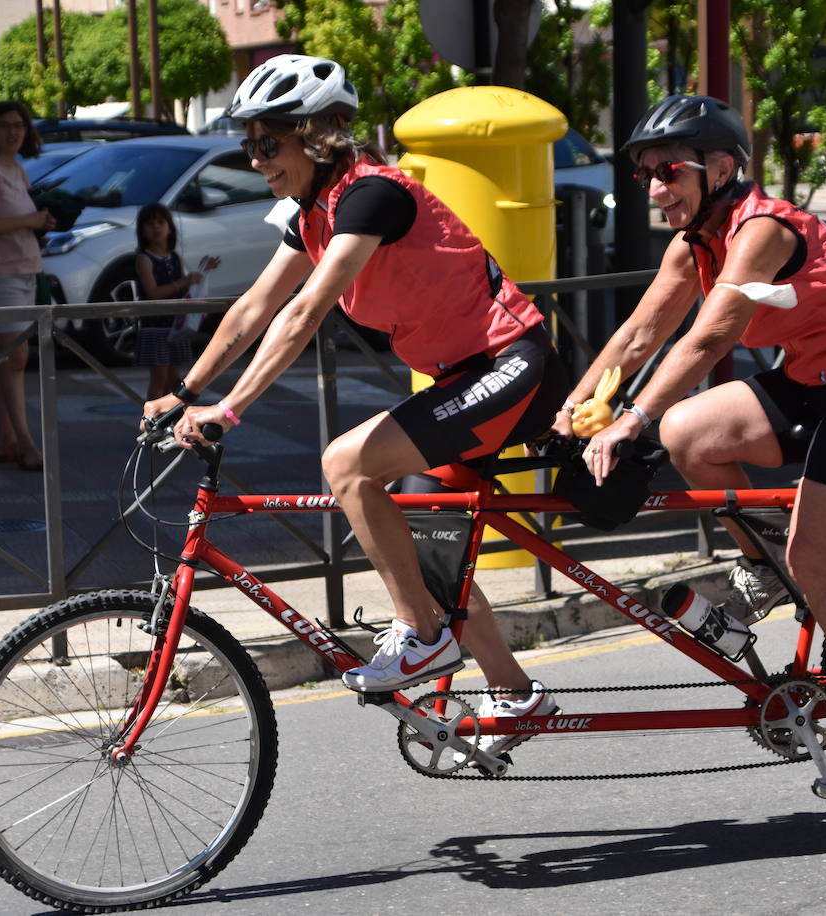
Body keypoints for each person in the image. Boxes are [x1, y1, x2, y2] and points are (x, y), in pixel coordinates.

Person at [142, 55, 570, 757]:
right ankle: (516, 693)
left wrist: (232, 408)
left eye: (267, 143)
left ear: (314, 136)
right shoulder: (313, 213)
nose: (256, 160)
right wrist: (187, 390)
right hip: (460, 379)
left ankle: (424, 640)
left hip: (508, 366)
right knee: (430, 552)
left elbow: (306, 311)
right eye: (249, 144)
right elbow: (255, 306)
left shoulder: (371, 197)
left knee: (346, 464)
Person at [554, 95, 826, 800]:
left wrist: (629, 419)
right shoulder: (694, 242)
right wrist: (578, 403)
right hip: (811, 380)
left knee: (817, 558)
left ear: (723, 167)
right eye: (646, 174)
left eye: (669, 171)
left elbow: (708, 338)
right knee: (688, 435)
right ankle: (772, 566)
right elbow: (639, 336)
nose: (655, 189)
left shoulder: (760, 230)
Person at [0, 100, 57, 471]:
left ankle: (6, 440)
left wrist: (39, 221)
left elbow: (19, 219)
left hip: (24, 269)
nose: (14, 131)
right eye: (5, 125)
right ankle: (25, 442)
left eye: (19, 125)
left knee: (9, 358)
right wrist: (28, 220)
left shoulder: (17, 171)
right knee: (15, 356)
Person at [133, 203, 220, 400]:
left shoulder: (175, 257)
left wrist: (202, 271)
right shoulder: (144, 259)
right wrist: (184, 281)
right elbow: (153, 293)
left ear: (170, 228)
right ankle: (152, 418)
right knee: (159, 377)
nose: (156, 228)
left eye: (161, 222)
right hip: (154, 325)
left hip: (175, 325)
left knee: (173, 377)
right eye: (150, 224)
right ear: (142, 231)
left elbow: (185, 289)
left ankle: (168, 417)